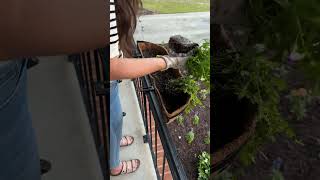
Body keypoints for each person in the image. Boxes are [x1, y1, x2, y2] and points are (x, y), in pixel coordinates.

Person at [108, 0, 188, 176]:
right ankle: (114, 166)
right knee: (111, 119)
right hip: (104, 82)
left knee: (116, 120)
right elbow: (112, 68)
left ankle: (113, 140)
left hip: (108, 84)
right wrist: (167, 62)